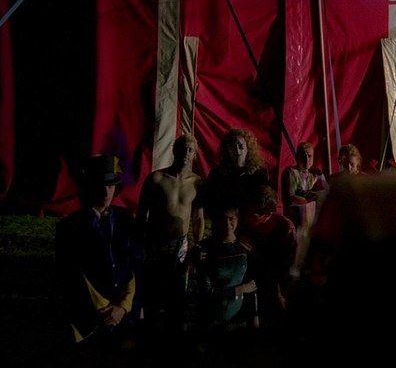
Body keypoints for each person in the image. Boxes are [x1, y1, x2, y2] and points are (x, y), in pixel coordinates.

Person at [55, 154, 144, 366]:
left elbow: (136, 264)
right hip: (90, 319)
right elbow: (69, 275)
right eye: (101, 186)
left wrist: (123, 307)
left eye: (111, 186)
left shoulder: (126, 219)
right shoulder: (70, 227)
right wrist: (102, 310)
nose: (106, 192)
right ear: (89, 188)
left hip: (125, 316)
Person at [136, 133, 204, 335]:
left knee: (178, 296)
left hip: (180, 246)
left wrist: (198, 245)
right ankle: (150, 334)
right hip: (155, 243)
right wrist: (140, 244)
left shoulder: (197, 183)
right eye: (183, 148)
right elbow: (141, 213)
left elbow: (198, 218)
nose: (186, 152)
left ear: (194, 155)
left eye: (190, 149)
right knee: (152, 294)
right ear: (174, 150)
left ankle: (175, 338)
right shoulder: (156, 178)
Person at [238, 184, 298, 328]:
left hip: (274, 289)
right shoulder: (244, 225)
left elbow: (284, 268)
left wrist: (255, 254)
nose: (245, 216)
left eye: (252, 215)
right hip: (247, 287)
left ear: (266, 215)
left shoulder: (285, 229)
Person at [192, 207, 257, 331]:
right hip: (211, 321)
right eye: (223, 220)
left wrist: (255, 317)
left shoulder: (244, 248)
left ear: (238, 220)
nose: (227, 223)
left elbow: (252, 287)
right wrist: (240, 289)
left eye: (231, 218)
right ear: (216, 222)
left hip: (238, 319)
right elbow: (206, 293)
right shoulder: (205, 250)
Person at [281, 142, 329, 276]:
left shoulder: (314, 174)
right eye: (304, 156)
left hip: (312, 219)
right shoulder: (291, 172)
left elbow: (327, 192)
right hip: (298, 218)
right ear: (297, 157)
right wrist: (312, 196)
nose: (307, 159)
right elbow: (292, 197)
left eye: (310, 156)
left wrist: (320, 177)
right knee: (297, 250)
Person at [203, 128, 271, 220]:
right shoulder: (218, 173)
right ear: (227, 149)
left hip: (250, 222)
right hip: (225, 221)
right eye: (232, 147)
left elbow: (265, 202)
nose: (237, 151)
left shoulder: (259, 173)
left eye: (241, 146)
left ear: (248, 148)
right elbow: (209, 200)